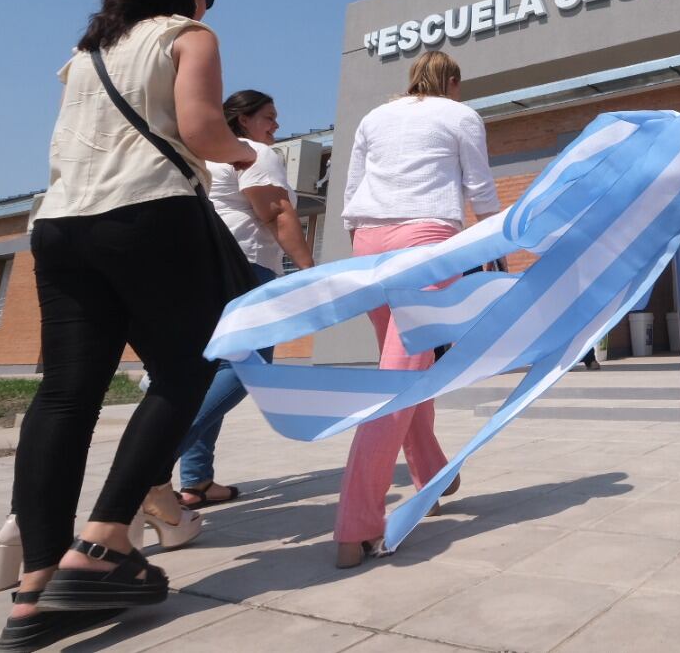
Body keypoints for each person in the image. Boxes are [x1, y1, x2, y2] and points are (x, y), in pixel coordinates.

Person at [0, 0, 257, 653]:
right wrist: (245, 154)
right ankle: (105, 541)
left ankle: (35, 590)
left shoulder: (83, 54)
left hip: (58, 225)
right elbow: (200, 127)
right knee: (184, 370)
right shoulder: (189, 35)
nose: (210, 8)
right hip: (147, 214)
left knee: (65, 396)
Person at [333, 50, 499, 568]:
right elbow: (480, 189)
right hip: (426, 240)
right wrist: (498, 244)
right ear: (453, 81)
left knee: (407, 364)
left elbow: (354, 184)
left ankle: (432, 473)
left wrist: (360, 240)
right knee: (401, 373)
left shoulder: (375, 117)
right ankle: (355, 523)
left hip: (368, 241)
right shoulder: (460, 114)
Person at [161, 90, 316, 510]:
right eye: (269, 116)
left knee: (214, 371)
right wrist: (309, 271)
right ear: (243, 120)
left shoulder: (206, 158)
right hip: (245, 268)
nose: (276, 125)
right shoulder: (256, 154)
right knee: (251, 368)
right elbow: (277, 215)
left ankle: (196, 482)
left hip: (202, 269)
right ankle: (152, 467)